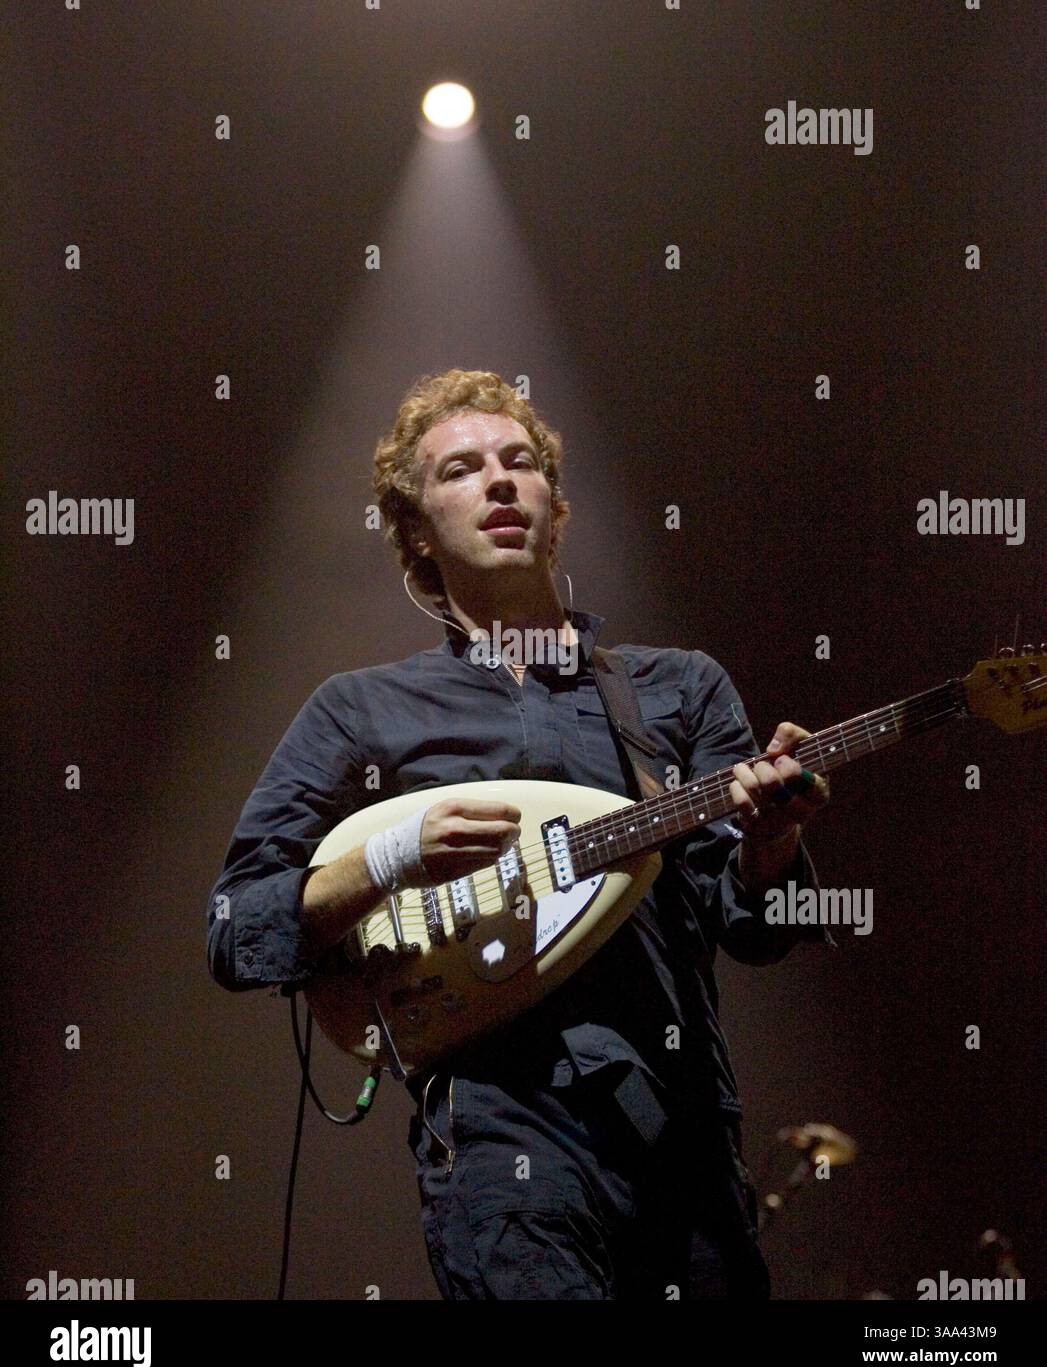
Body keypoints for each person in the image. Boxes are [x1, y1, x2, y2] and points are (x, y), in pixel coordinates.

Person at [207, 368, 834, 1300]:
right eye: (460, 469)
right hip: (503, 1138)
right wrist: (390, 855)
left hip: (687, 1135)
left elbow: (755, 927)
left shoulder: (678, 688)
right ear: (416, 529)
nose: (499, 482)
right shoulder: (360, 712)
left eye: (520, 462)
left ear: (555, 506)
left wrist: (771, 841)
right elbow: (234, 929)